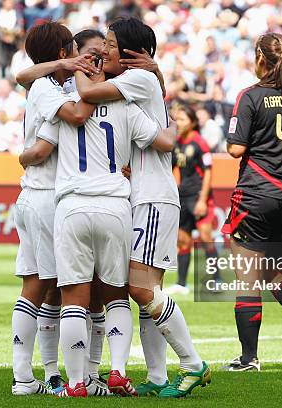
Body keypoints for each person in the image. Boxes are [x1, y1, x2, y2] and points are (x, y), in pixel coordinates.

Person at [73, 17, 211, 398]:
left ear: (134, 53)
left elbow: (89, 94)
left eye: (112, 45)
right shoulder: (146, 81)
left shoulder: (139, 79)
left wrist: (76, 66)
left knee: (139, 287)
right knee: (150, 289)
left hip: (151, 196)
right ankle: (157, 374)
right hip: (148, 194)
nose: (105, 51)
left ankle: (192, 364)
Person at [37, 69, 178, 399]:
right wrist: (174, 125)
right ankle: (118, 371)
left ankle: (75, 383)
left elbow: (37, 151)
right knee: (116, 294)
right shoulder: (126, 106)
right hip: (115, 205)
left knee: (74, 298)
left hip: (72, 206)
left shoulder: (65, 104)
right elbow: (164, 142)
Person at [221, 33, 282, 372]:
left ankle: (249, 358)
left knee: (248, 277)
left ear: (261, 60)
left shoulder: (250, 97)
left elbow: (235, 149)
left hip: (255, 194)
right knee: (276, 271)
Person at [9, 22, 96, 396]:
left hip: (32, 195)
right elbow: (48, 145)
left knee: (39, 287)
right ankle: (31, 377)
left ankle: (34, 376)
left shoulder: (42, 84)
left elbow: (23, 74)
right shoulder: (47, 88)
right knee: (49, 288)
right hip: (46, 197)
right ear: (64, 52)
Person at [169, 104, 221, 295]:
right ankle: (181, 284)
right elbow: (169, 168)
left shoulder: (199, 143)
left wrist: (202, 200)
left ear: (192, 123)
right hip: (183, 196)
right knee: (182, 240)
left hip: (200, 197)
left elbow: (208, 171)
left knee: (206, 237)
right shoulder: (176, 143)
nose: (178, 123)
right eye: (177, 119)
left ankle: (217, 280)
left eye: (182, 119)